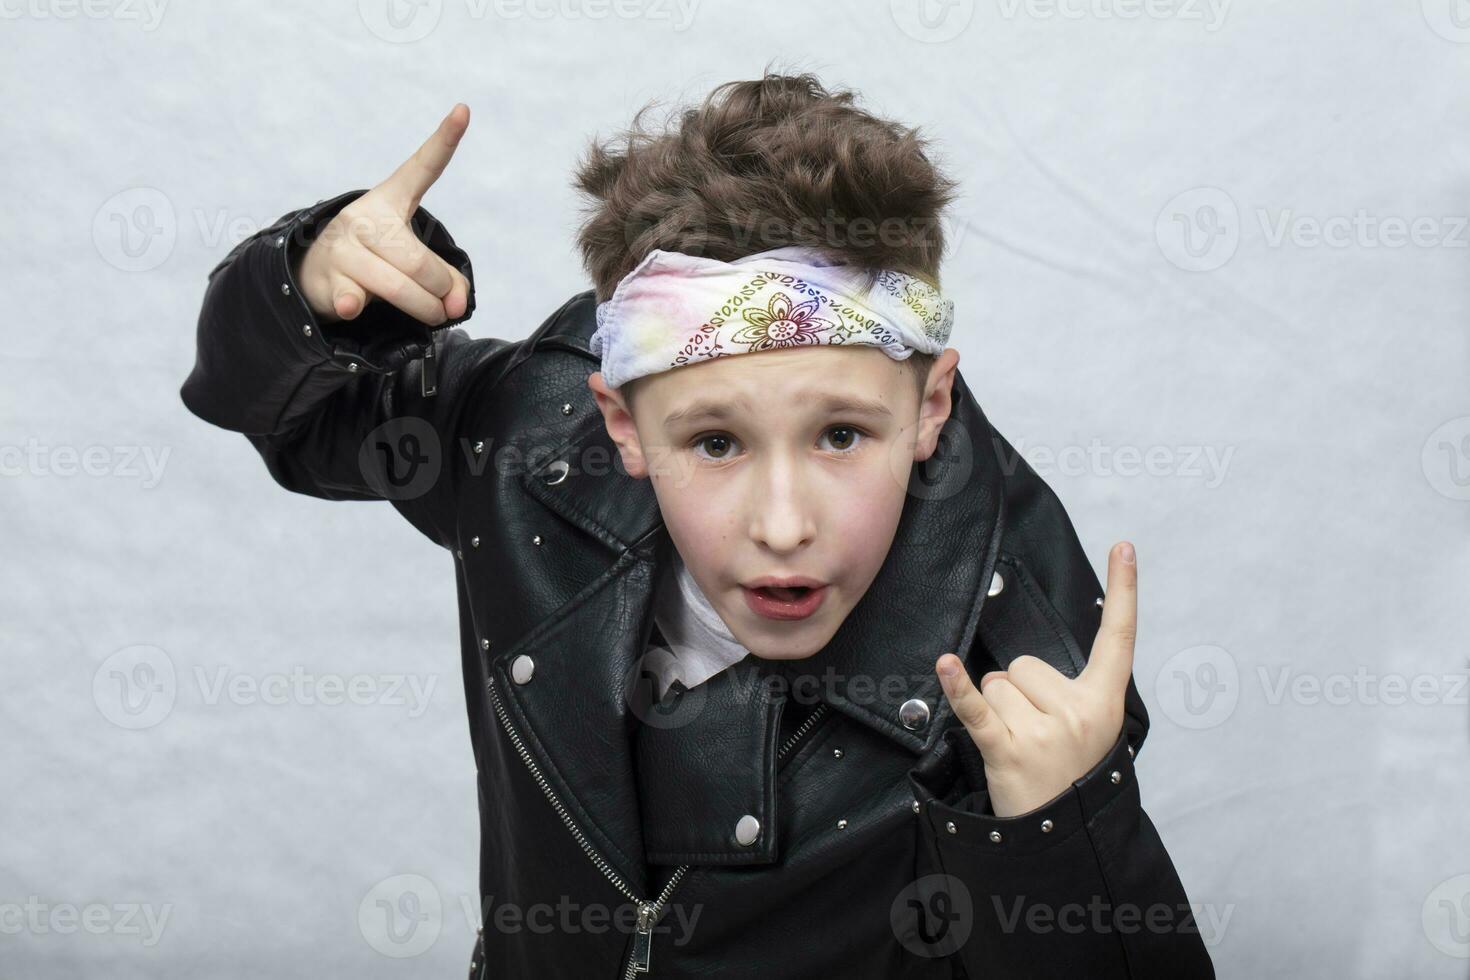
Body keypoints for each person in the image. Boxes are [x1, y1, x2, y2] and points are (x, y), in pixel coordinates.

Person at [180, 71, 1215, 978]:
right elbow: (292, 412)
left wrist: (1058, 829)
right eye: (715, 443)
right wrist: (314, 288)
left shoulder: (1013, 637)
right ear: (621, 421)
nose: (781, 524)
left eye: (843, 435)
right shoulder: (528, 445)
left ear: (929, 407)